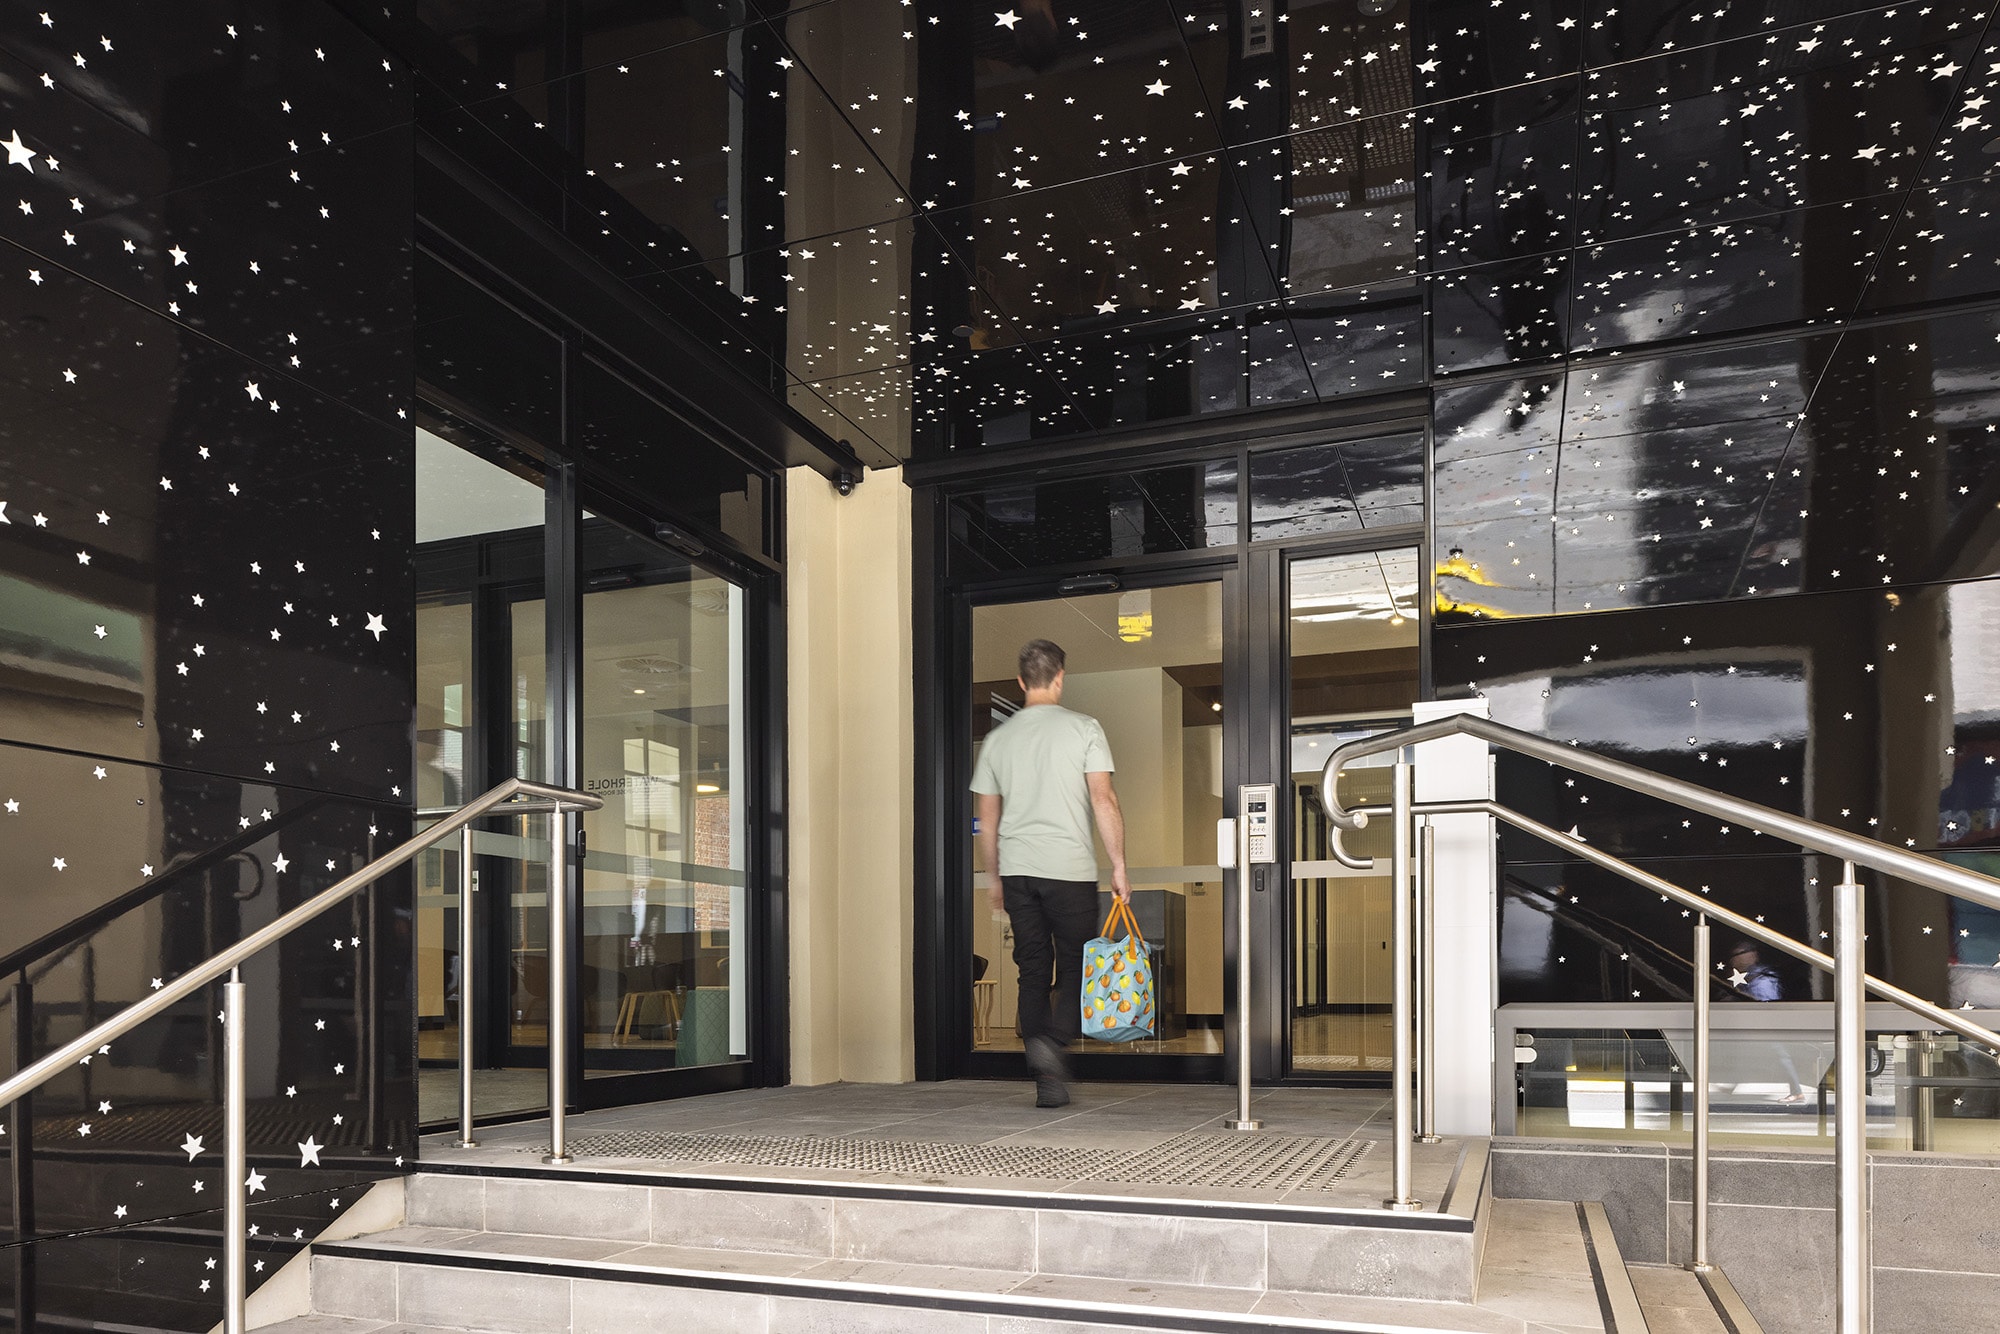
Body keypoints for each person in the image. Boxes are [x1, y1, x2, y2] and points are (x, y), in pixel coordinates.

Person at [972, 639, 1131, 1108]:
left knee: (1032, 971)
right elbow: (1104, 800)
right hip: (1071, 871)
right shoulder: (1085, 729)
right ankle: (1055, 1042)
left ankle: (1045, 1077)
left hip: (1020, 872)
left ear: (1022, 682)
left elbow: (987, 817)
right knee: (1078, 966)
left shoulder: (1000, 739)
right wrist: (1119, 864)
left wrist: (994, 878)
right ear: (1059, 677)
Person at [1727, 942, 1805, 1102]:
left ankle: (1796, 1091)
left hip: (1766, 1023)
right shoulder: (1751, 975)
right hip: (1761, 1022)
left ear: (1751, 955)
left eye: (1738, 955)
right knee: (1744, 1053)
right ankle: (1732, 1083)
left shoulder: (1761, 976)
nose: (1734, 961)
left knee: (1780, 1055)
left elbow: (1764, 1000)